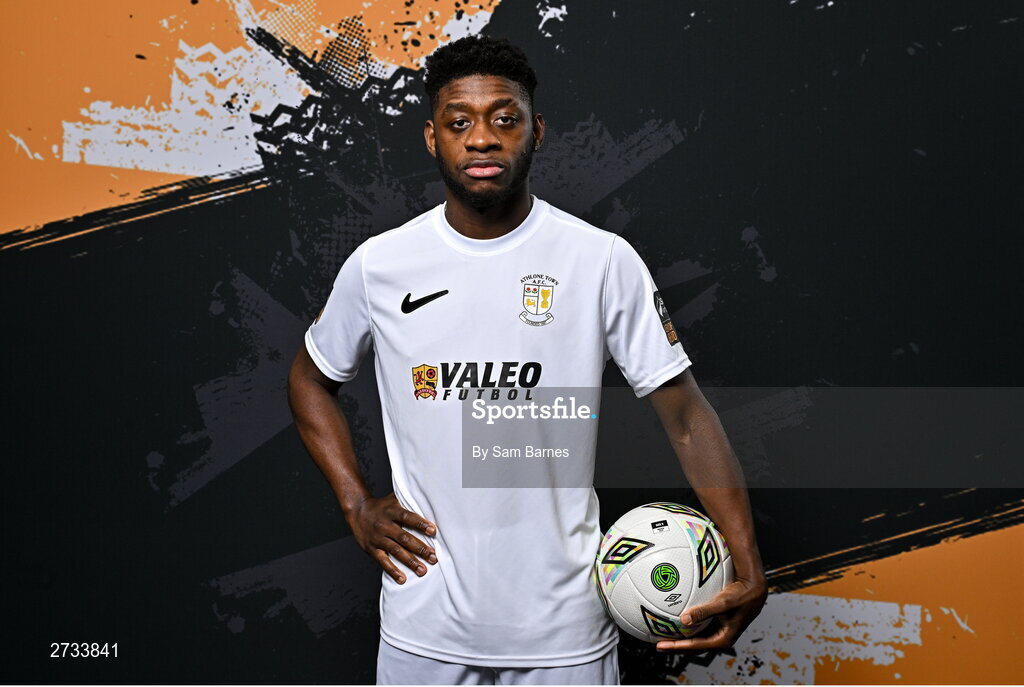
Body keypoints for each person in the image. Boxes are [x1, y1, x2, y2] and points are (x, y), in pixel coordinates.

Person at [287, 34, 767, 685]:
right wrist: (355, 503)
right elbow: (310, 378)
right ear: (433, 138)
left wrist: (748, 563)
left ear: (536, 131)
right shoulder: (380, 265)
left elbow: (684, 414)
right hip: (424, 634)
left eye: (503, 119)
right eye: (460, 122)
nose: (481, 139)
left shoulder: (600, 260)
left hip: (564, 635)